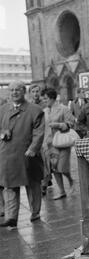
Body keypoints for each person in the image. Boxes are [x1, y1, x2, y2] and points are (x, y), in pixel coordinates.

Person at [0, 81, 45, 228]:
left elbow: (39, 133)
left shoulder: (35, 110)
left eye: (17, 89)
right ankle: (11, 217)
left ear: (24, 91)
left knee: (33, 185)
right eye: (11, 90)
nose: (14, 92)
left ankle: (35, 212)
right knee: (9, 186)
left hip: (28, 155)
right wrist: (2, 133)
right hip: (8, 155)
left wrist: (33, 149)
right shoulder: (3, 110)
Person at [42, 88, 75, 200]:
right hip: (50, 144)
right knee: (54, 168)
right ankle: (61, 191)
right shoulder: (45, 111)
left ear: (52, 98)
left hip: (62, 142)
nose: (44, 100)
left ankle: (70, 180)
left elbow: (71, 123)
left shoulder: (63, 109)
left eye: (46, 98)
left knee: (62, 168)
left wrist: (59, 125)